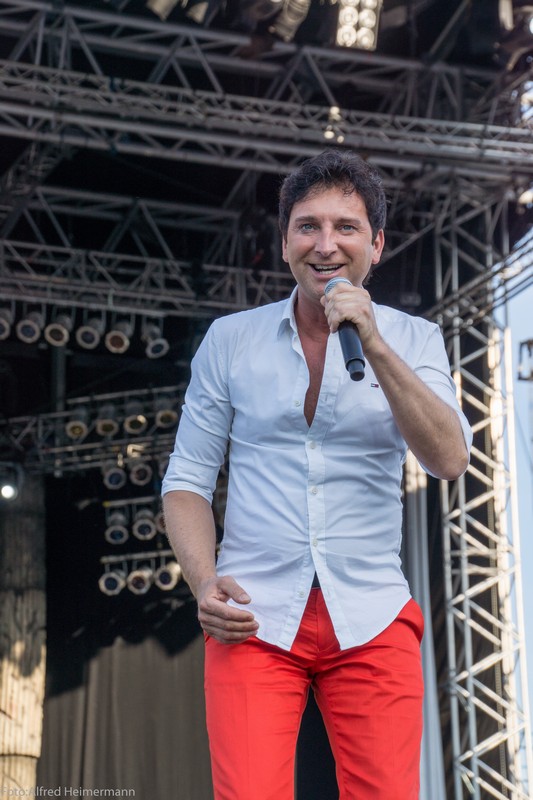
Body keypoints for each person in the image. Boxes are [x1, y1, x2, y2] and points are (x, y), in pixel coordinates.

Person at [162, 149, 472, 800]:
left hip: (372, 614)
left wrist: (373, 342)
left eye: (345, 227)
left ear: (376, 244)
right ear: (285, 243)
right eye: (307, 226)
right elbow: (187, 479)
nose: (325, 244)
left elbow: (447, 459)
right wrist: (203, 582)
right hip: (253, 615)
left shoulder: (414, 339)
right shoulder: (230, 340)